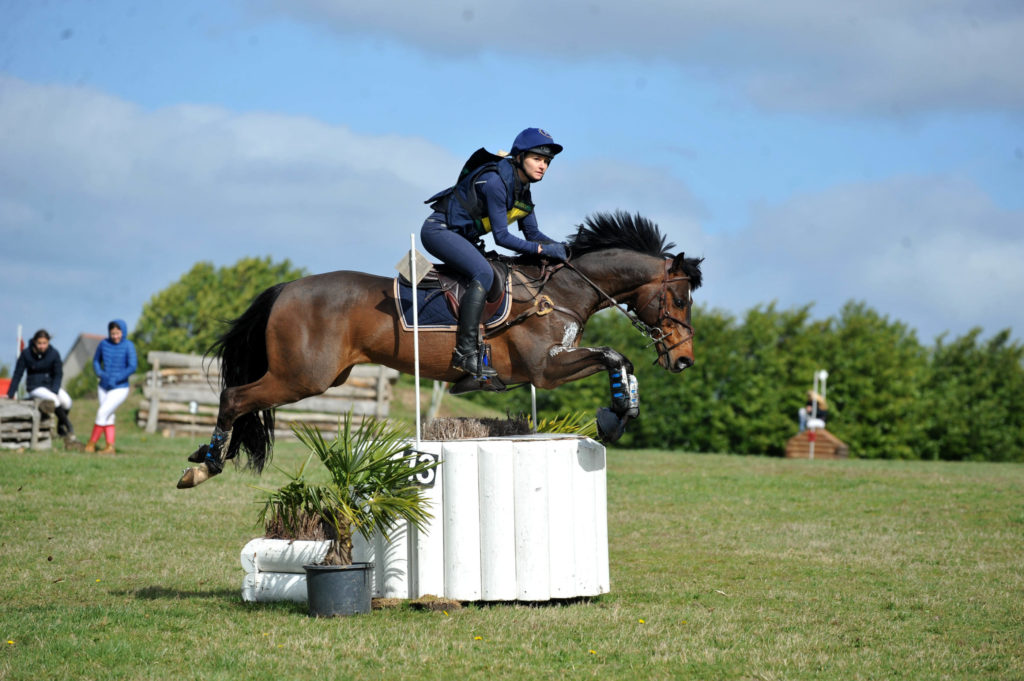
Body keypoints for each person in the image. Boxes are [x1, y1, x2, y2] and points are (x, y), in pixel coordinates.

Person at [421, 127, 569, 378]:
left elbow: (533, 235)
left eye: (546, 161)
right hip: (439, 231)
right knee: (483, 273)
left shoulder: (524, 191)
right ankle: (465, 353)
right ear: (519, 157)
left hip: (461, 237)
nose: (543, 166)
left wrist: (567, 250)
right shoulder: (496, 183)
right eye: (537, 158)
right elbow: (502, 238)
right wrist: (544, 250)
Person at [2, 329, 79, 445]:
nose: (42, 346)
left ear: (48, 342)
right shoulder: (26, 354)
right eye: (39, 343)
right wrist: (11, 393)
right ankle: (70, 428)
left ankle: (60, 426)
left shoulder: (54, 353)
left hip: (50, 386)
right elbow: (18, 374)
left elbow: (58, 373)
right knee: (54, 400)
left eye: (44, 343)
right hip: (35, 387)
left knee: (67, 401)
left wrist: (55, 388)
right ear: (34, 342)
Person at [84, 319, 137, 454]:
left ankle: (91, 444)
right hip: (103, 386)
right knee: (108, 415)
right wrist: (100, 373)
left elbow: (132, 366)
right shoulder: (103, 344)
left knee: (102, 412)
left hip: (120, 387)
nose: (115, 336)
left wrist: (117, 378)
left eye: (118, 333)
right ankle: (110, 447)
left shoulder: (129, 346)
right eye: (112, 333)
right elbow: (96, 360)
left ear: (123, 332)